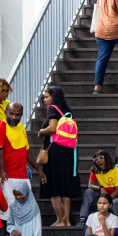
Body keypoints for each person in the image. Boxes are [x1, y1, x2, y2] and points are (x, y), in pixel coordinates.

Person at [36, 87, 79, 228]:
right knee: (64, 188)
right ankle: (67, 220)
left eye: (47, 97)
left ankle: (60, 220)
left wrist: (41, 132)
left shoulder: (52, 109)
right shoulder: (67, 111)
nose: (45, 99)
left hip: (55, 152)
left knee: (54, 187)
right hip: (68, 152)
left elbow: (53, 128)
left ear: (53, 97)